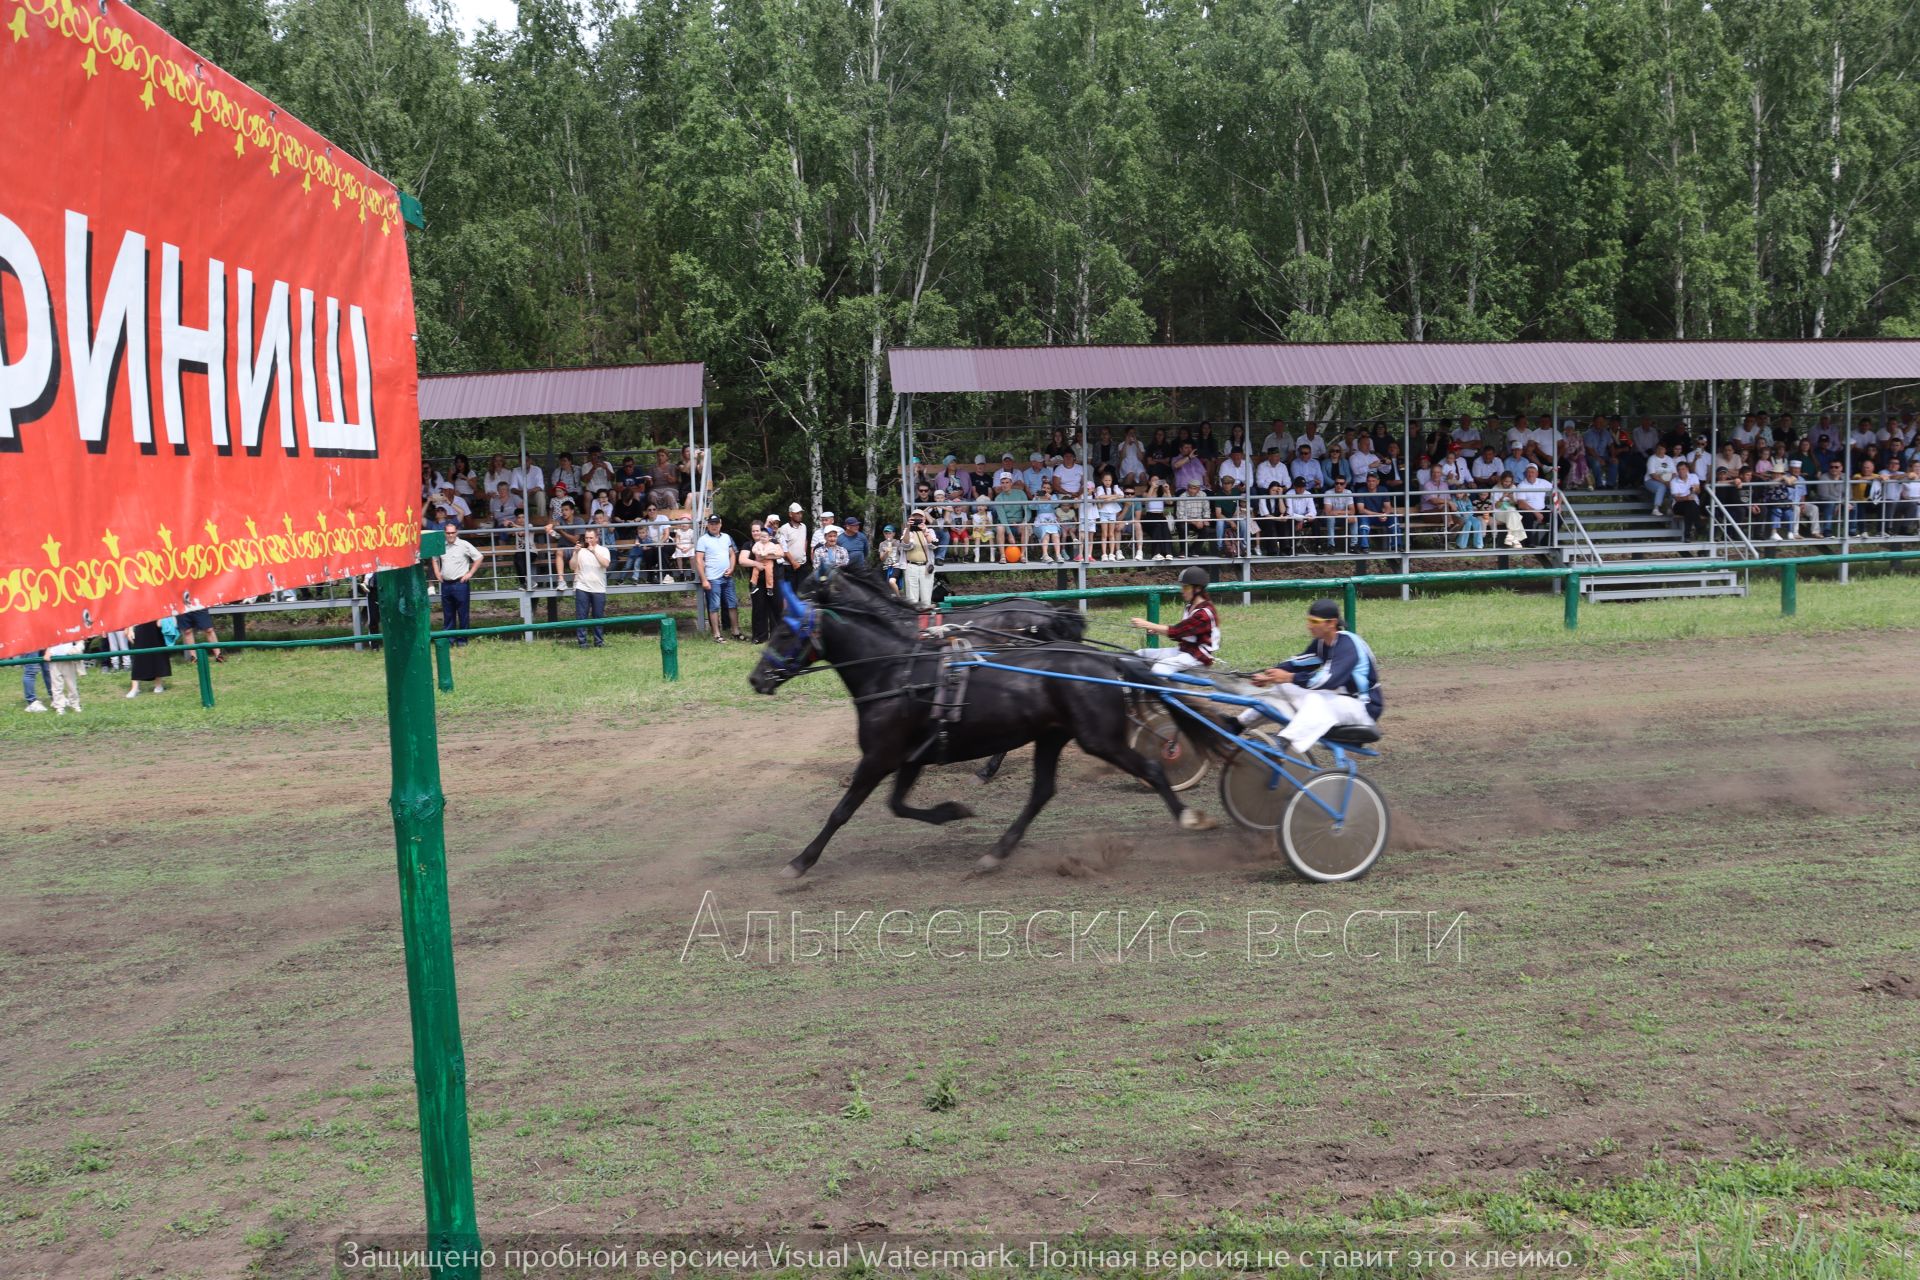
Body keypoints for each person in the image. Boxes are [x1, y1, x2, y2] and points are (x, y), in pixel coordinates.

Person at [1240, 599, 1383, 755]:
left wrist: (1288, 677)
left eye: (1315, 621)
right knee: (1283, 689)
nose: (1309, 625)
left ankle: (1284, 741)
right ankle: (1239, 724)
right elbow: (1298, 663)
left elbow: (1328, 680)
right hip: (1340, 699)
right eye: (1309, 620)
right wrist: (1271, 675)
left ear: (1331, 623)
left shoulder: (1348, 645)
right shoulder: (1322, 643)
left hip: (1364, 707)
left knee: (1316, 700)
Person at [1127, 566, 1219, 675]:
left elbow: (1177, 631)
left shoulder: (1204, 614)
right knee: (1140, 654)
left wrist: (1147, 624)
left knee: (1159, 669)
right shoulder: (1190, 606)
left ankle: (1161, 692)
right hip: (1184, 650)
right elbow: (1183, 632)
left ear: (1197, 589)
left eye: (1186, 588)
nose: (1182, 591)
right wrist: (1157, 630)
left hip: (1198, 657)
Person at [546, 522, 612, 647]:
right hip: (582, 587)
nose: (588, 540)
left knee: (598, 617)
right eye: (586, 538)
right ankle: (582, 643)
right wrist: (575, 553)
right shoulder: (580, 551)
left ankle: (599, 642)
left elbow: (606, 564)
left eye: (591, 538)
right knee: (581, 616)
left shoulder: (604, 550)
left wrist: (594, 552)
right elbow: (572, 566)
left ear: (597, 538)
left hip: (599, 588)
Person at [433, 520, 484, 642]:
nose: (450, 535)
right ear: (444, 533)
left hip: (460, 583)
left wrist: (470, 573)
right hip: (446, 584)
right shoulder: (441, 545)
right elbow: (434, 559)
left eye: (453, 532)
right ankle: (449, 640)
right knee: (448, 614)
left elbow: (479, 557)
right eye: (448, 533)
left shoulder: (464, 544)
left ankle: (462, 640)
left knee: (463, 613)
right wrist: (437, 573)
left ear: (456, 532)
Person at [900, 511, 937, 608]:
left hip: (926, 567)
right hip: (911, 566)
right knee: (912, 599)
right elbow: (906, 545)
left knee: (926, 597)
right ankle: (914, 618)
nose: (917, 520)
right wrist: (908, 528)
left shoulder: (930, 531)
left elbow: (934, 545)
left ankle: (927, 619)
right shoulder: (907, 531)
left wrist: (925, 531)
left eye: (919, 518)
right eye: (914, 518)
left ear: (924, 519)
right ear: (910, 519)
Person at [126, 620, 171, 697]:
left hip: (155, 626)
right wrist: (130, 629)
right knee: (138, 657)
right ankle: (135, 688)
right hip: (139, 625)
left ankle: (158, 685)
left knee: (157, 655)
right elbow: (131, 613)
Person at [45, 640, 83, 714]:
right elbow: (48, 639)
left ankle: (75, 704)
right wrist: (47, 651)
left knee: (71, 684)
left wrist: (77, 648)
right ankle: (59, 706)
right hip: (54, 658)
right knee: (56, 685)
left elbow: (79, 639)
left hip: (68, 657)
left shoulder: (68, 629)